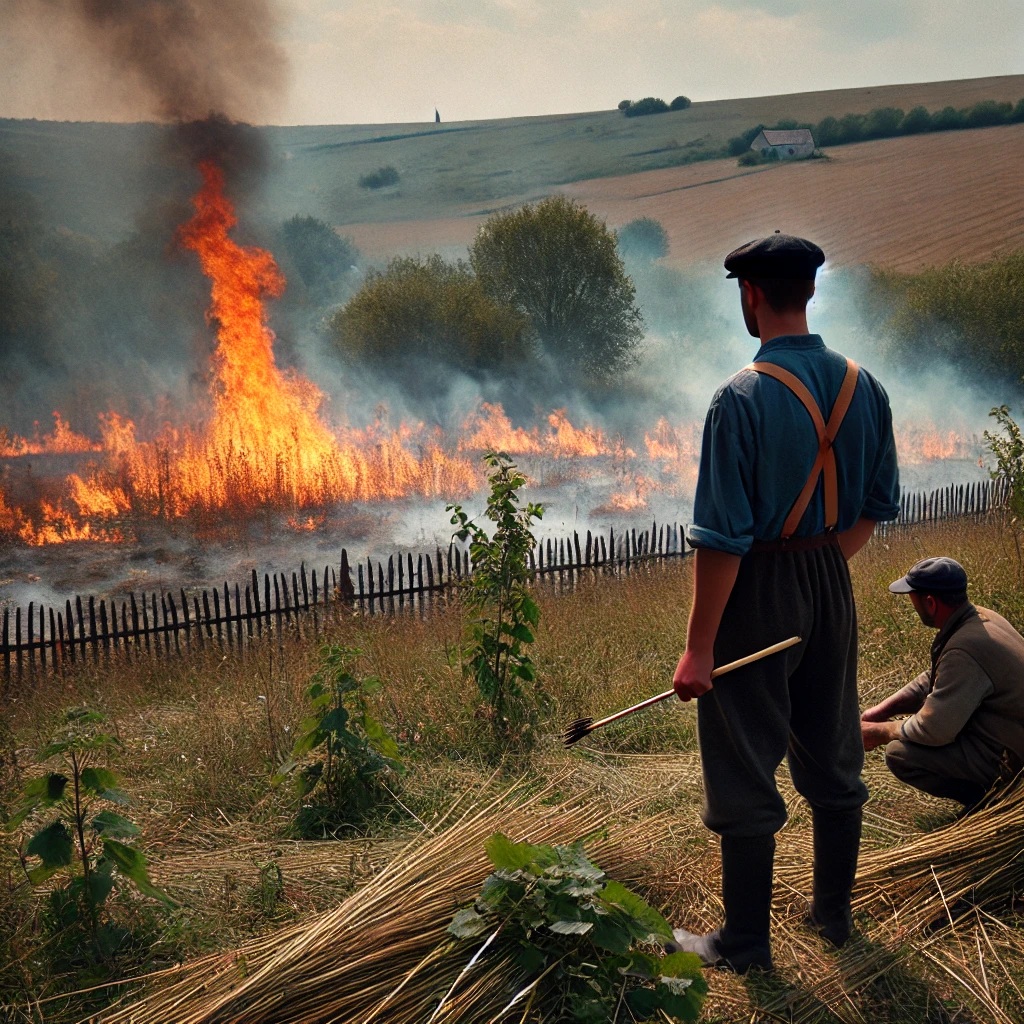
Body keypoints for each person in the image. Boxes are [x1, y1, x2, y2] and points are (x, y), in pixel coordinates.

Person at [667, 232, 901, 973]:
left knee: (742, 756)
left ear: (751, 295)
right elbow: (876, 506)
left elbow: (722, 538)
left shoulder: (738, 399)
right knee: (833, 745)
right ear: (810, 290)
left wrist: (700, 647)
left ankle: (744, 943)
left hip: (758, 588)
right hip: (831, 578)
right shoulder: (866, 387)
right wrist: (820, 568)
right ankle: (833, 916)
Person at [861, 556, 1024, 808]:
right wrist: (883, 710)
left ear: (930, 602)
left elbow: (933, 730)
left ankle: (993, 801)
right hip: (1008, 731)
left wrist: (879, 732)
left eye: (912, 598)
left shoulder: (964, 649)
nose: (912, 605)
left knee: (900, 755)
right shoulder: (983, 618)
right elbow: (936, 676)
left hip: (1013, 758)